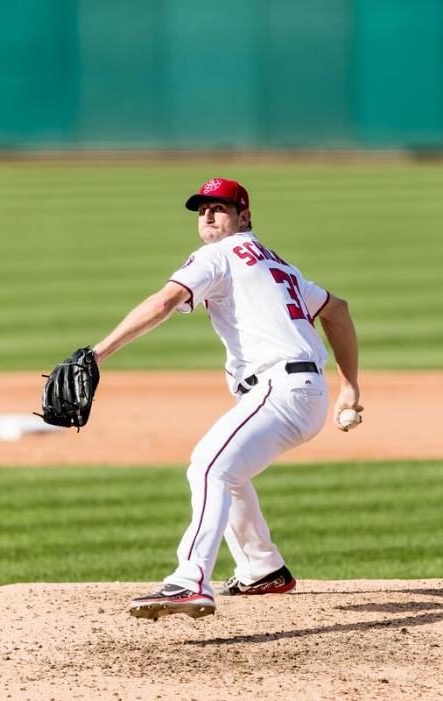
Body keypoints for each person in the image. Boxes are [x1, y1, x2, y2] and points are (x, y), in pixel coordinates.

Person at [92, 177, 362, 621]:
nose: (209, 216)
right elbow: (338, 309)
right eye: (202, 210)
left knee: (209, 465)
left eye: (219, 208)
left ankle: (189, 580)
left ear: (244, 217)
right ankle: (262, 568)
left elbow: (165, 301)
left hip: (281, 389)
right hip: (300, 392)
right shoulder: (276, 264)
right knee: (229, 471)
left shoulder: (218, 255)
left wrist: (98, 353)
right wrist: (349, 385)